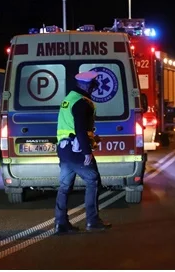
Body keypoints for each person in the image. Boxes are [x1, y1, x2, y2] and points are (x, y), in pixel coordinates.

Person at [54, 71, 112, 234]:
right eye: (94, 84)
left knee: (65, 186)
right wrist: (87, 152)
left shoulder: (68, 99)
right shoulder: (82, 102)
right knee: (93, 180)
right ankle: (92, 221)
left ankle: (61, 223)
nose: (96, 87)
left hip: (64, 150)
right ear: (87, 85)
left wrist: (93, 137)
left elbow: (72, 127)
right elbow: (79, 129)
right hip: (77, 150)